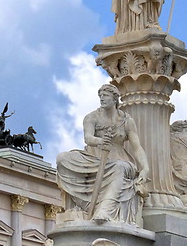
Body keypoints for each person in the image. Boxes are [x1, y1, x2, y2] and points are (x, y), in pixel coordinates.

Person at [54, 83, 149, 224]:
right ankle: (87, 205)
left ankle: (105, 210)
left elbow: (137, 148)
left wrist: (145, 168)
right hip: (93, 158)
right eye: (100, 96)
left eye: (105, 96)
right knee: (62, 158)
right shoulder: (91, 117)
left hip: (119, 160)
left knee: (120, 167)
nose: (102, 99)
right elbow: (88, 138)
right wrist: (101, 141)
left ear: (115, 98)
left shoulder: (127, 121)